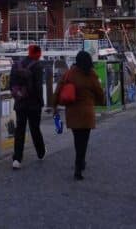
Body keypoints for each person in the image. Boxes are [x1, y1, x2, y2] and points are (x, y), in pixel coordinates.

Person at [52, 50, 104, 180]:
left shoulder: (70, 73)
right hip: (87, 112)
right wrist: (99, 102)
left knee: (77, 139)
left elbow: (58, 90)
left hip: (73, 111)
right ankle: (79, 164)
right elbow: (99, 91)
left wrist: (54, 106)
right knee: (84, 140)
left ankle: (79, 162)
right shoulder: (91, 74)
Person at [10, 44, 46, 169]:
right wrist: (41, 102)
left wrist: (18, 95)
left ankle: (17, 159)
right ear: (38, 53)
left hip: (20, 103)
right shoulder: (37, 66)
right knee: (35, 128)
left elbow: (11, 84)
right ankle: (40, 153)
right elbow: (38, 87)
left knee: (20, 130)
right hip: (34, 104)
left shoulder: (16, 65)